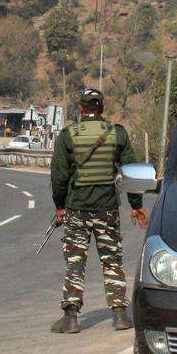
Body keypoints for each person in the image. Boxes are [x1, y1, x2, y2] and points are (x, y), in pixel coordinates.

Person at [49, 89, 149, 334]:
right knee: (112, 260)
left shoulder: (68, 136)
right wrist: (136, 205)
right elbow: (132, 172)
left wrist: (60, 205)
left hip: (77, 209)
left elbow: (59, 176)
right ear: (101, 109)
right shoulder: (117, 134)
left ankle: (71, 318)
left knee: (75, 261)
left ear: (81, 109)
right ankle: (120, 315)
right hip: (107, 209)